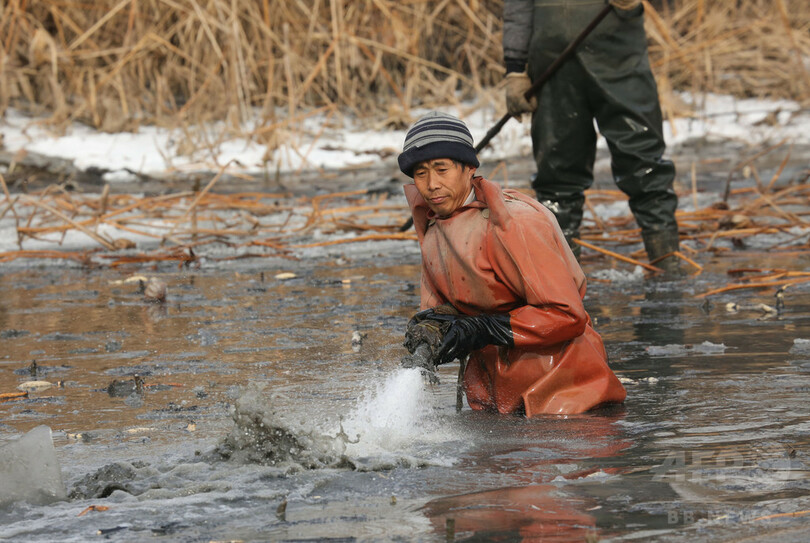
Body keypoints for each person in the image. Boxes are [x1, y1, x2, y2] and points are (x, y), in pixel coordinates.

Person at [398, 111, 626, 416]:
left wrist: (480, 328)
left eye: (442, 169)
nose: (431, 184)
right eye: (420, 173)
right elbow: (443, 312)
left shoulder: (517, 222)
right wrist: (430, 333)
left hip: (566, 390)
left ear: (469, 167)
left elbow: (567, 315)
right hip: (493, 395)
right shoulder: (433, 230)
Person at [503, 0, 681, 272]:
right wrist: (515, 69)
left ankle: (668, 262)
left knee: (643, 160)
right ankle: (561, 276)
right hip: (553, 66)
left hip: (619, 57)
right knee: (556, 175)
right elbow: (518, 6)